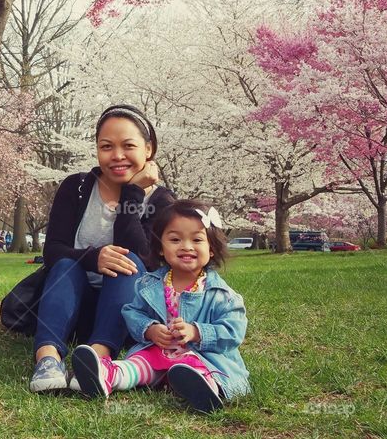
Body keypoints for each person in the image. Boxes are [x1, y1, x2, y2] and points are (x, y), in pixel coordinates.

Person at [29, 104, 175, 393]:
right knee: (65, 263)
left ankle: (98, 359)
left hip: (125, 308)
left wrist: (132, 193)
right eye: (107, 147)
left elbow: (146, 259)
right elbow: (53, 251)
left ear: (148, 149)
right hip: (72, 303)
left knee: (128, 261)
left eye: (128, 146)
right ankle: (47, 359)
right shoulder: (76, 187)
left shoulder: (162, 202)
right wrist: (92, 257)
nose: (117, 156)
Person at [71, 199, 249, 413]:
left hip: (201, 358)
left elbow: (233, 332)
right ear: (161, 248)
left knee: (197, 369)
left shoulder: (222, 295)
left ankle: (206, 388)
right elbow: (132, 312)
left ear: (211, 249)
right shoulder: (149, 285)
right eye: (175, 239)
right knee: (138, 364)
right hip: (158, 353)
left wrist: (197, 333)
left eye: (197, 239)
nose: (186, 246)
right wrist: (150, 329)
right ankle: (107, 375)